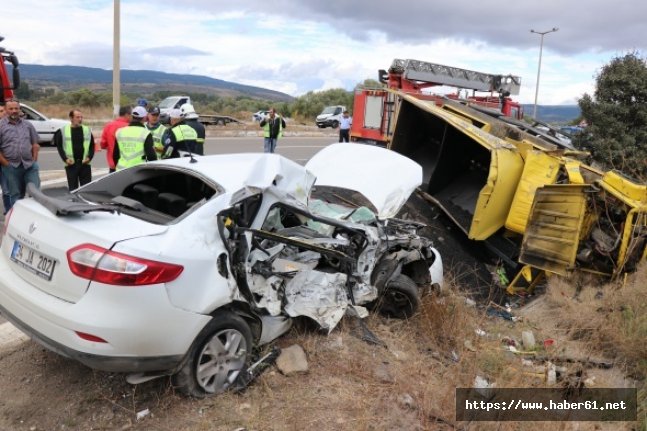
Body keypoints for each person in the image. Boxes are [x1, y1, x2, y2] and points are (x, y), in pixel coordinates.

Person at [0, 99, 40, 211]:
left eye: (16, 108)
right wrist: (6, 164)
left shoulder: (28, 125)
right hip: (11, 166)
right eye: (11, 109)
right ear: (6, 110)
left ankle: (37, 215)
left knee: (36, 192)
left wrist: (34, 160)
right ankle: (17, 218)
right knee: (16, 195)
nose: (14, 111)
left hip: (29, 165)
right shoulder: (1, 126)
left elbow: (35, 144)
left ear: (19, 109)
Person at [53, 109, 95, 191]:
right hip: (71, 164)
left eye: (81, 117)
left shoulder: (87, 130)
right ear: (71, 118)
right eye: (77, 117)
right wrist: (65, 159)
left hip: (84, 164)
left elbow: (92, 146)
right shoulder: (63, 131)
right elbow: (60, 147)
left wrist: (89, 157)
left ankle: (85, 204)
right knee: (73, 190)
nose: (80, 119)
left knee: (86, 190)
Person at [113, 106, 157, 170]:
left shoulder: (120, 132)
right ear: (144, 118)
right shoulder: (145, 133)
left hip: (121, 170)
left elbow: (115, 155)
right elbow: (151, 156)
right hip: (138, 172)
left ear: (132, 116)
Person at [100, 106, 131, 172]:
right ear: (127, 115)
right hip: (128, 165)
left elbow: (103, 145)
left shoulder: (108, 126)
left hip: (113, 164)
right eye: (131, 114)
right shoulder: (131, 127)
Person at [0, 104, 11, 213]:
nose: (2, 113)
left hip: (4, 162)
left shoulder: (10, 125)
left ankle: (9, 210)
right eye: (0, 111)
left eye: (3, 110)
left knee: (7, 189)